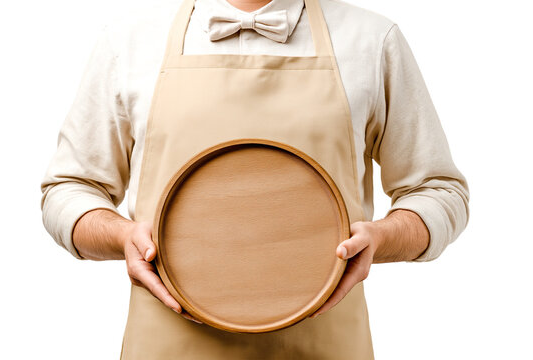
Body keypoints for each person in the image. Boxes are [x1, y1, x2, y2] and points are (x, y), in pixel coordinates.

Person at [40, 0, 470, 358]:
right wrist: (120, 236)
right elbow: (68, 189)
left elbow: (439, 191)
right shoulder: (129, 41)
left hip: (325, 345)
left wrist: (382, 237)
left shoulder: (372, 40)